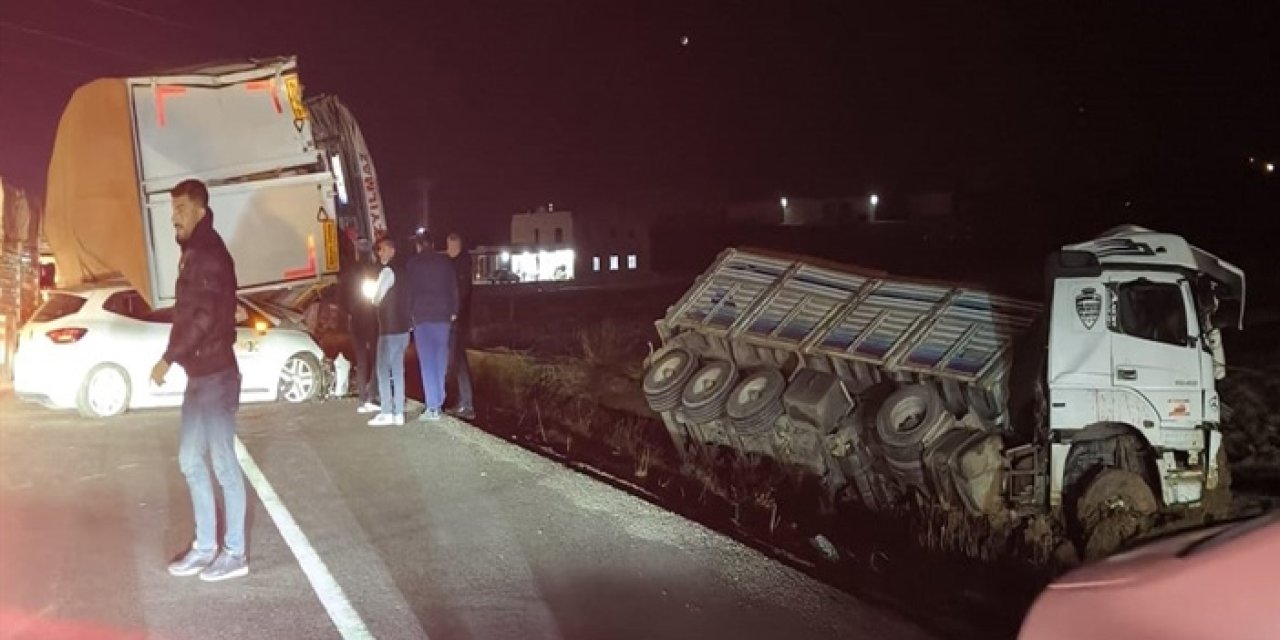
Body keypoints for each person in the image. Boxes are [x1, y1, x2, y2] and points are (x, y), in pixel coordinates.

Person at [151, 179, 249, 582]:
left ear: (200, 212)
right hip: (198, 375)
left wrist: (167, 358)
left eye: (181, 209)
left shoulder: (208, 253)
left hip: (216, 374)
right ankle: (206, 546)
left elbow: (204, 316)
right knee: (190, 460)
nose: (173, 217)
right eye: (172, 209)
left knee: (223, 462)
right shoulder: (194, 253)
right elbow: (191, 312)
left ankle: (235, 554)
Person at [405, 231, 458, 422]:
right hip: (443, 316)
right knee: (440, 359)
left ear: (419, 246)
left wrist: (409, 316)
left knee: (427, 362)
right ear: (433, 244)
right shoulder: (445, 263)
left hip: (422, 317)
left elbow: (408, 293)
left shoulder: (412, 265)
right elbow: (454, 288)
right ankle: (439, 399)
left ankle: (433, 406)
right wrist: (454, 310)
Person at [368, 237, 412, 426]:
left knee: (383, 370)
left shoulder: (387, 272)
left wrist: (372, 297)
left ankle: (386, 411)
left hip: (389, 330)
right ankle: (399, 413)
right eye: (379, 250)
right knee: (398, 371)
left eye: (383, 249)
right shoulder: (405, 272)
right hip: (404, 329)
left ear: (392, 251)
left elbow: (376, 297)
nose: (380, 253)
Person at [340, 244, 380, 413]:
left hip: (356, 320)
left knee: (361, 360)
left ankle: (363, 397)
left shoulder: (349, 273)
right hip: (373, 319)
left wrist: (349, 311)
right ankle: (373, 394)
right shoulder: (375, 271)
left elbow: (341, 298)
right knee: (376, 358)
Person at [444, 233, 476, 420]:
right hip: (459, 320)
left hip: (457, 320)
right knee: (459, 360)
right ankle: (464, 402)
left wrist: (454, 313)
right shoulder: (459, 263)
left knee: (456, 362)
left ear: (455, 246)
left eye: (449, 246)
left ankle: (466, 403)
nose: (447, 250)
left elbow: (461, 293)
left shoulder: (460, 266)